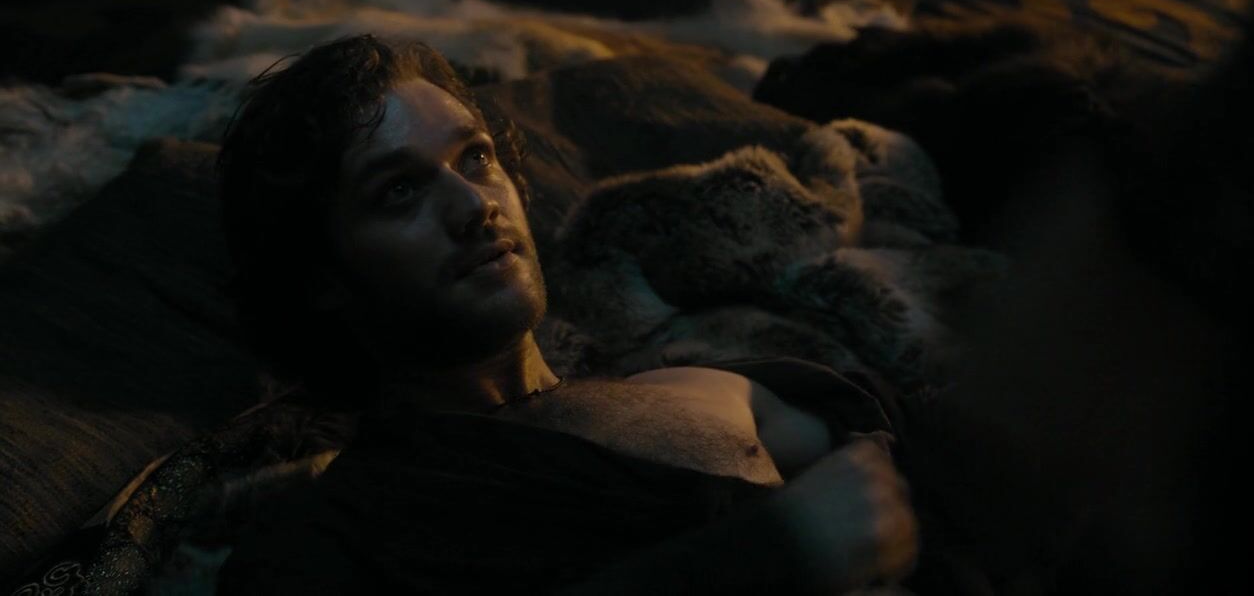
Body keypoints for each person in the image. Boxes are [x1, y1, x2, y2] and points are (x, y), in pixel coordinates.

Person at [214, 34, 917, 594]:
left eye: (476, 157)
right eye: (399, 190)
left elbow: (925, 476)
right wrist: (759, 556)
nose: (474, 205)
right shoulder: (337, 532)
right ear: (319, 277)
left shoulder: (708, 389)